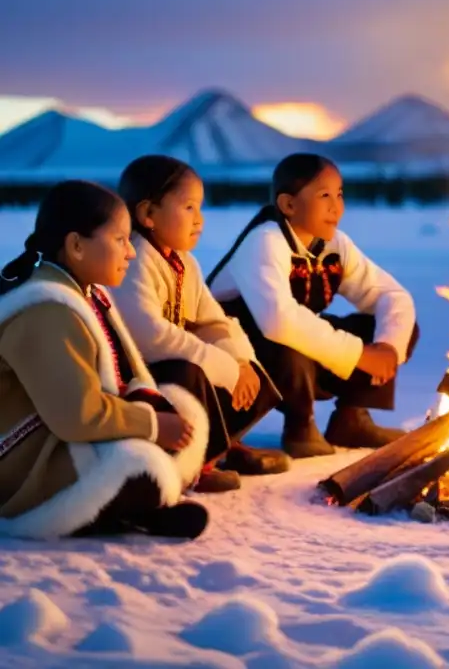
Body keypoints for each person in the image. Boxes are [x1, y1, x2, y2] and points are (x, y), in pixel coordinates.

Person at [0, 181, 210, 540]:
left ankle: (135, 505)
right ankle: (124, 509)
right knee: (140, 468)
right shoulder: (47, 308)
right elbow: (76, 415)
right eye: (120, 240)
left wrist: (154, 414)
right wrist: (154, 425)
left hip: (59, 431)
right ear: (77, 245)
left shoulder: (83, 293)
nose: (131, 253)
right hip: (24, 464)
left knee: (182, 407)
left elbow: (120, 380)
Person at [207, 153, 418, 458]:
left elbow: (391, 296)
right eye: (324, 195)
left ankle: (351, 417)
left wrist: (386, 348)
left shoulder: (334, 245)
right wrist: (359, 355)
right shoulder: (264, 241)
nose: (336, 206)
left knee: (390, 327)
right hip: (247, 359)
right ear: (289, 205)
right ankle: (299, 425)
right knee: (286, 335)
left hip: (302, 357)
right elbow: (278, 320)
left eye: (340, 194)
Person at [113, 155, 290, 493]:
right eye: (189, 208)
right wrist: (221, 364)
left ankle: (226, 445)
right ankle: (196, 463)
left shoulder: (183, 262)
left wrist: (238, 360)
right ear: (148, 214)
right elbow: (148, 336)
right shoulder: (134, 260)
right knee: (190, 371)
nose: (200, 220)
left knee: (244, 361)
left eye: (201, 208)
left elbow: (212, 319)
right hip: (140, 380)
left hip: (171, 362)